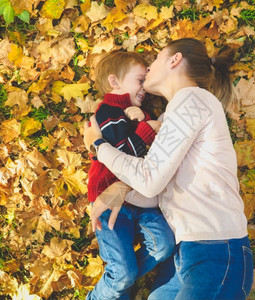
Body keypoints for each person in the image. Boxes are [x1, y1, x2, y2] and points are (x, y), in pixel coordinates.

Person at [84, 38, 254, 299]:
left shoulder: (193, 101)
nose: (149, 68)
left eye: (155, 59)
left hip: (217, 251)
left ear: (175, 60)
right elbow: (158, 190)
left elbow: (150, 179)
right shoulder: (173, 114)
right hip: (187, 250)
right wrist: (120, 191)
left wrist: (98, 144)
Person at [85, 50, 175, 300]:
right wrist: (146, 128)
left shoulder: (137, 113)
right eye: (139, 81)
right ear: (115, 82)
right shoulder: (107, 112)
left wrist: (145, 120)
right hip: (108, 197)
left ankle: (119, 282)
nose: (144, 88)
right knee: (123, 272)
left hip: (140, 194)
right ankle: (112, 286)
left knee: (164, 244)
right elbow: (121, 154)